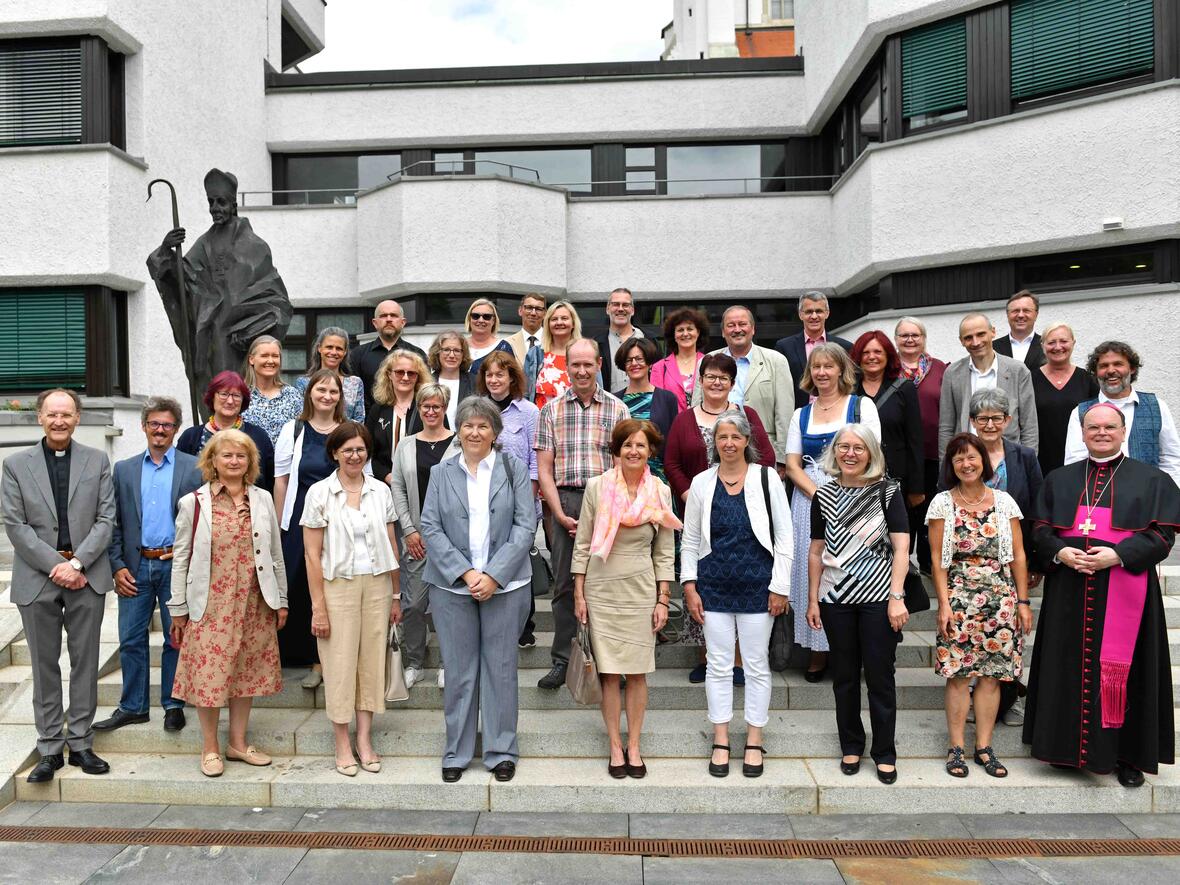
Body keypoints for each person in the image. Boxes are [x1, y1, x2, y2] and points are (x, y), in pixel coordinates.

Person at [1025, 403, 1179, 787]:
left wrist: (1119, 555)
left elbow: (1162, 536)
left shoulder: (1151, 479)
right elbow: (1040, 530)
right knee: (1066, 666)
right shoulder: (1060, 479)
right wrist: (1060, 551)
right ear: (1082, 431)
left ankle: (1127, 755)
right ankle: (1064, 750)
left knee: (1132, 672)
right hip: (1069, 590)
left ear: (1123, 431)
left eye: (1110, 427)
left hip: (1127, 589)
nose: (1101, 433)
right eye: (1093, 427)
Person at [420, 397, 536, 783]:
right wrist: (467, 573)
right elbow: (430, 526)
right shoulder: (442, 472)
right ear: (459, 430)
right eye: (467, 425)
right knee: (458, 670)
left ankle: (501, 750)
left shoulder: (513, 468)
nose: (474, 432)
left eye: (483, 426)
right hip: (453, 587)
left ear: (495, 432)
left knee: (501, 669)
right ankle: (457, 751)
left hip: (507, 586)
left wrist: (494, 575)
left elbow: (525, 526)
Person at [2, 389, 115, 783]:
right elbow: (16, 526)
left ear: (78, 418)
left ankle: (81, 742)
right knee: (44, 665)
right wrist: (58, 566)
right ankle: (49, 746)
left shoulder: (98, 460)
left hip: (87, 576)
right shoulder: (16, 465)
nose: (59, 421)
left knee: (85, 664)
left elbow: (106, 519)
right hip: (38, 578)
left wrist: (78, 562)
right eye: (52, 414)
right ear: (39, 418)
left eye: (66, 414)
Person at [169, 429, 287, 777]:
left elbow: (275, 552)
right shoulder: (195, 502)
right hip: (210, 604)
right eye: (227, 456)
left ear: (250, 462)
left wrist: (281, 599)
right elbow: (181, 557)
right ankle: (210, 747)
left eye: (241, 456)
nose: (234, 461)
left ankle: (237, 743)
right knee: (210, 676)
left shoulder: (262, 499)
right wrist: (178, 607)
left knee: (246, 674)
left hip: (254, 600)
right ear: (213, 461)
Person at [681, 411, 791, 778]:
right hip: (713, 586)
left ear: (747, 441)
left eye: (735, 436)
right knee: (718, 664)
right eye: (721, 436)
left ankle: (755, 739)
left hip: (759, 586)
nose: (728, 442)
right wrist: (689, 585)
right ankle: (721, 738)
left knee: (756, 665)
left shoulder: (766, 479)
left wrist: (780, 586)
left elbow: (785, 538)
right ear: (714, 442)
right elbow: (691, 539)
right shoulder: (701, 482)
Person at [572, 419, 679, 778]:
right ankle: (615, 746)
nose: (634, 451)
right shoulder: (597, 487)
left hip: (640, 588)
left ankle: (634, 744)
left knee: (637, 673)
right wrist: (579, 591)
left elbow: (665, 552)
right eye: (627, 445)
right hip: (601, 587)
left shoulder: (660, 492)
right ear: (616, 450)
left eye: (641, 445)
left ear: (651, 450)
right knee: (609, 673)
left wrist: (663, 599)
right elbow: (583, 543)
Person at [806, 425, 909, 784]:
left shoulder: (888, 491)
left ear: (871, 453)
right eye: (844, 447)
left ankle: (884, 752)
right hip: (836, 600)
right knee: (845, 678)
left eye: (858, 448)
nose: (850, 453)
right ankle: (851, 745)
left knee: (881, 677)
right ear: (835, 452)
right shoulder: (823, 495)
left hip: (880, 599)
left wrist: (897, 597)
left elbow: (901, 548)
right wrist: (813, 599)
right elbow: (816, 550)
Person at [664, 354, 776, 681]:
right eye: (710, 376)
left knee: (736, 580)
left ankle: (738, 662)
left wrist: (743, 491)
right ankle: (708, 658)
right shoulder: (685, 420)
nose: (716, 382)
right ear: (700, 381)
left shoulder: (746, 415)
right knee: (702, 581)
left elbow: (766, 458)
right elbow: (671, 464)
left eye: (723, 378)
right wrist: (691, 496)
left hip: (742, 516)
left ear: (732, 383)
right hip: (698, 516)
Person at [95, 396, 202, 735]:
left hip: (176, 565)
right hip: (135, 566)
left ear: (176, 429)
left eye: (167, 425)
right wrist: (116, 566)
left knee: (176, 638)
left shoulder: (194, 466)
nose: (160, 430)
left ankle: (173, 704)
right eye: (154, 423)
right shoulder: (124, 469)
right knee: (130, 638)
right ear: (144, 427)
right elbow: (112, 522)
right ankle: (133, 706)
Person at [926, 433, 1030, 780]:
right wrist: (943, 605)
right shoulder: (942, 503)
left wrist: (1024, 602)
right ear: (951, 466)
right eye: (958, 459)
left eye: (972, 457)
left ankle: (984, 747)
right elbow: (937, 561)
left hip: (1000, 600)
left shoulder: (1004, 502)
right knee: (958, 676)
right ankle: (956, 747)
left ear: (984, 461)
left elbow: (1017, 555)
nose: (966, 464)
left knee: (991, 677)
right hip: (958, 599)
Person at [301, 422, 402, 776]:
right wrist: (318, 607)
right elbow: (312, 556)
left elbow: (392, 544)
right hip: (337, 587)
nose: (355, 456)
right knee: (340, 665)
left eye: (360, 450)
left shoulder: (380, 491)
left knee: (371, 664)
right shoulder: (319, 494)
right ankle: (342, 743)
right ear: (334, 453)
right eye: (347, 450)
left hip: (376, 585)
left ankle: (364, 740)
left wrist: (395, 595)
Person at [146, 168, 292, 404]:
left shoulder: (256, 246)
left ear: (233, 204)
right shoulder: (204, 243)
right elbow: (185, 280)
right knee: (214, 394)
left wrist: (250, 328)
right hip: (211, 336)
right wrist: (166, 251)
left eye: (221, 202)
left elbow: (278, 302)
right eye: (211, 202)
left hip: (242, 342)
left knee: (239, 395)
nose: (215, 208)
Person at [535, 339, 630, 689]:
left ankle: (611, 663)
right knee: (563, 585)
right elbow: (544, 469)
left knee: (606, 585)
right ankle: (563, 660)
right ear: (567, 367)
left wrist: (608, 512)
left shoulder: (618, 410)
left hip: (606, 503)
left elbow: (625, 466)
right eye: (574, 364)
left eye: (588, 364)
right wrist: (558, 513)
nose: (581, 370)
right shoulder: (552, 410)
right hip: (565, 504)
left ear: (599, 364)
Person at [785, 344, 880, 681]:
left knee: (852, 571)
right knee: (813, 571)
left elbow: (873, 455)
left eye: (828, 366)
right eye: (816, 367)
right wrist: (822, 497)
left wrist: (842, 496)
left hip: (856, 495)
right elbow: (793, 465)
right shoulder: (801, 414)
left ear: (842, 370)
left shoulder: (861, 406)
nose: (822, 373)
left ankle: (851, 651)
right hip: (809, 500)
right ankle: (818, 651)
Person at [964, 388, 1043, 728]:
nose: (990, 424)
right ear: (973, 422)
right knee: (971, 631)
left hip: (1014, 559)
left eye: (997, 418)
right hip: (970, 564)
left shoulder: (1024, 456)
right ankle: (974, 699)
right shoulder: (962, 454)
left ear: (1008, 421)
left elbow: (1038, 509)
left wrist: (1036, 562)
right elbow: (943, 503)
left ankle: (1008, 701)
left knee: (1010, 634)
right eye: (983, 418)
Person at [274, 369, 345, 684]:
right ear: (310, 393)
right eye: (322, 390)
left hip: (336, 521)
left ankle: (322, 662)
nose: (327, 396)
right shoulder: (294, 429)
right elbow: (281, 480)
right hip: (298, 518)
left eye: (333, 391)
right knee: (296, 586)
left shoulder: (347, 430)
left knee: (329, 587)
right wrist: (279, 525)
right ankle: (292, 656)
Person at [388, 384, 456, 690]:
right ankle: (414, 663)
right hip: (415, 539)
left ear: (445, 409)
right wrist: (410, 530)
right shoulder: (406, 446)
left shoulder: (458, 444)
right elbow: (398, 489)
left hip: (451, 539)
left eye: (437, 407)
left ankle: (447, 663)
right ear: (419, 409)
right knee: (414, 604)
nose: (431, 411)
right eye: (425, 406)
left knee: (447, 605)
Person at [476, 351, 542, 648]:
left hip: (521, 503)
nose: (494, 380)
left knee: (518, 563)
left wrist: (525, 505)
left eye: (500, 374)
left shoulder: (528, 412)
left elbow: (535, 461)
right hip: (484, 502)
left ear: (512, 378)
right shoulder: (477, 411)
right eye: (489, 375)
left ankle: (524, 625)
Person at [1063, 341, 1180, 486]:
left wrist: (1170, 495)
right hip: (1099, 498)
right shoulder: (1081, 412)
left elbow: (1171, 458)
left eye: (1118, 364)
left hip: (1149, 497)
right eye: (1104, 366)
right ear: (1096, 372)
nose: (1111, 370)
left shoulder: (1156, 407)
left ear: (1131, 368)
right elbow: (1075, 462)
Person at [701, 305, 794, 472]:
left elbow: (784, 413)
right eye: (731, 325)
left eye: (742, 324)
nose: (737, 329)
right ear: (723, 331)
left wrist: (782, 459)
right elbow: (697, 406)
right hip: (716, 452)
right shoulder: (708, 361)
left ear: (753, 329)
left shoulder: (776, 361)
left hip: (763, 452)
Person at [937, 313, 1038, 459]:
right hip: (967, 462)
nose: (976, 342)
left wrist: (1027, 465)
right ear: (961, 341)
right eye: (968, 337)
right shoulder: (952, 374)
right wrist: (945, 470)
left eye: (981, 334)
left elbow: (1029, 427)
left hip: (1007, 460)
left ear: (993, 332)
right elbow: (946, 427)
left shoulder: (1018, 371)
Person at [894, 317, 948, 570]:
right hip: (898, 452)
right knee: (900, 509)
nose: (910, 340)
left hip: (931, 452)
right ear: (896, 339)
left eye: (915, 335)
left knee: (928, 508)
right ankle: (901, 561)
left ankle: (927, 561)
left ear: (924, 338)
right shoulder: (889, 368)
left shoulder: (940, 369)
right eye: (904, 335)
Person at [851, 331, 924, 509]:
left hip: (897, 480)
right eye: (865, 353)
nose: (871, 357)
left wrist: (916, 487)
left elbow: (915, 440)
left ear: (888, 356)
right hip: (856, 480)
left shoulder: (905, 389)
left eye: (877, 352)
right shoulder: (848, 391)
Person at [177, 371, 275, 493]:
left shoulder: (259, 437)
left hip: (248, 508)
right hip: (201, 509)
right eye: (224, 394)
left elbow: (271, 482)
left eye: (236, 396)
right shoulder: (190, 437)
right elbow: (179, 481)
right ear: (212, 397)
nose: (230, 401)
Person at [1031, 322, 1099, 477]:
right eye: (1051, 342)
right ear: (1042, 346)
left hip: (1080, 458)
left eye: (1063, 341)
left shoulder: (1088, 380)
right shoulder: (1029, 379)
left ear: (1073, 343)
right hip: (1041, 460)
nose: (1058, 347)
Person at [613, 336, 678, 483]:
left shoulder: (667, 399)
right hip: (623, 477)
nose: (634, 364)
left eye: (639, 359)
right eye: (629, 360)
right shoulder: (614, 400)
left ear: (649, 362)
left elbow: (672, 445)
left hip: (658, 478)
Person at [774, 291, 852, 408]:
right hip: (798, 415)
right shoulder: (784, 347)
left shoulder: (844, 347)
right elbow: (779, 387)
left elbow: (849, 381)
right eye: (809, 311)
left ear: (827, 313)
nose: (814, 316)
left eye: (819, 311)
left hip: (836, 412)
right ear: (801, 315)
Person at [368, 349, 434, 481]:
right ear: (389, 375)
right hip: (385, 486)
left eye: (411, 373)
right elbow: (369, 451)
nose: (405, 377)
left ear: (418, 377)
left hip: (422, 483)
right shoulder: (378, 410)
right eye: (399, 372)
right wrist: (387, 476)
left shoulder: (429, 409)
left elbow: (440, 446)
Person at [353, 300, 427, 414]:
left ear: (403, 322)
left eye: (393, 315)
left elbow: (423, 390)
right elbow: (354, 395)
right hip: (369, 424)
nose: (388, 319)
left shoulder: (417, 354)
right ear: (375, 323)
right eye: (383, 316)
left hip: (410, 422)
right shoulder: (358, 355)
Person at [240, 336, 303, 444]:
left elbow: (302, 432)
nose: (270, 361)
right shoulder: (240, 394)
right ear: (251, 359)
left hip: (285, 460)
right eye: (264, 356)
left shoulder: (292, 395)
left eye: (275, 356)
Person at [296, 326, 365, 423]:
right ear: (319, 348)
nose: (333, 352)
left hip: (346, 436)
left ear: (345, 352)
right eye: (329, 347)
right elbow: (301, 417)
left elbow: (359, 421)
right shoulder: (304, 382)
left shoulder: (355, 383)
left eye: (339, 349)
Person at [650, 307, 709, 413]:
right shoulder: (659, 367)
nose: (685, 334)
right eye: (680, 330)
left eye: (690, 329)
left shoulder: (709, 363)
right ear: (674, 335)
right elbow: (656, 404)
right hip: (671, 426)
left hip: (705, 425)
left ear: (698, 332)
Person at [593, 287, 651, 392]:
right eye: (615, 304)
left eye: (625, 305)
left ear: (632, 310)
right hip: (610, 406)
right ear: (607, 309)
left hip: (645, 405)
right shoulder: (596, 344)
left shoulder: (649, 340)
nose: (620, 309)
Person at [534, 300, 582, 410]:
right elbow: (526, 394)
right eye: (554, 319)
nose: (559, 322)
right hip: (543, 423)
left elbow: (598, 391)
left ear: (573, 323)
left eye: (564, 318)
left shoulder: (586, 352)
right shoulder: (536, 353)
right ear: (547, 324)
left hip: (577, 422)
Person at [504, 292, 547, 401]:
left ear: (545, 314)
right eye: (529, 308)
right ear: (520, 310)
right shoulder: (506, 344)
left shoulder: (554, 342)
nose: (533, 313)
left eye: (538, 309)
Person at [427, 330, 473, 429]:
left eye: (456, 350)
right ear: (437, 353)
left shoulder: (475, 382)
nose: (451, 355)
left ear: (463, 354)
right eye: (446, 350)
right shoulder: (426, 382)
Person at [994, 290, 1045, 369]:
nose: (1020, 315)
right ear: (1007, 315)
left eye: (1026, 310)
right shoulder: (993, 348)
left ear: (1036, 314)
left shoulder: (1047, 346)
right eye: (1015, 311)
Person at [463, 298, 514, 376]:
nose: (480, 320)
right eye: (475, 316)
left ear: (493, 320)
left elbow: (511, 379)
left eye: (486, 317)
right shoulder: (459, 345)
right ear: (469, 319)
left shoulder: (503, 347)